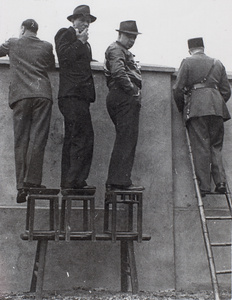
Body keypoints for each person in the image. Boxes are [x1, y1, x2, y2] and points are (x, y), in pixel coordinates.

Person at [0, 19, 55, 203]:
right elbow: (51, 65)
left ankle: (21, 186)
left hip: (21, 96)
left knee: (21, 140)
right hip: (42, 94)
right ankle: (32, 181)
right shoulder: (46, 46)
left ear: (23, 29)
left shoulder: (14, 42)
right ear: (36, 31)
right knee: (38, 139)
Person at [173, 37, 231, 196]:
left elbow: (177, 88)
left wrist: (182, 108)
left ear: (190, 50)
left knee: (201, 146)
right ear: (203, 48)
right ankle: (220, 182)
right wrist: (216, 103)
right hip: (217, 110)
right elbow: (226, 91)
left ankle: (204, 186)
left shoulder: (187, 62)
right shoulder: (217, 63)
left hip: (197, 109)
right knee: (216, 146)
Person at [55, 5, 96, 190]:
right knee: (82, 137)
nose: (85, 23)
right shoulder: (65, 33)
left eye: (88, 20)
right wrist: (80, 42)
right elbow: (64, 57)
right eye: (82, 19)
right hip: (71, 95)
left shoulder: (84, 42)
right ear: (73, 20)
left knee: (76, 137)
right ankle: (74, 181)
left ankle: (70, 181)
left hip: (80, 96)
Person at [104, 20, 144, 191]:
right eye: (129, 36)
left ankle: (118, 179)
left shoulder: (122, 50)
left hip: (122, 96)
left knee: (126, 138)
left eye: (134, 37)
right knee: (126, 138)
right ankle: (119, 181)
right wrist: (133, 90)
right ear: (120, 34)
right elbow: (118, 73)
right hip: (122, 96)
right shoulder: (116, 49)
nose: (132, 40)